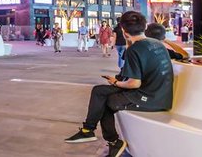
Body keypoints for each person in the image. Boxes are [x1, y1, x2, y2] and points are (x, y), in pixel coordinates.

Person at [64, 11, 174, 157]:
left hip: (150, 98)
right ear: (144, 26)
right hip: (160, 94)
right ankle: (91, 132)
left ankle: (108, 139)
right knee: (100, 91)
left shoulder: (135, 49)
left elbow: (134, 83)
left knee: (107, 101)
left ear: (123, 30)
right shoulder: (156, 43)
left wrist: (115, 82)